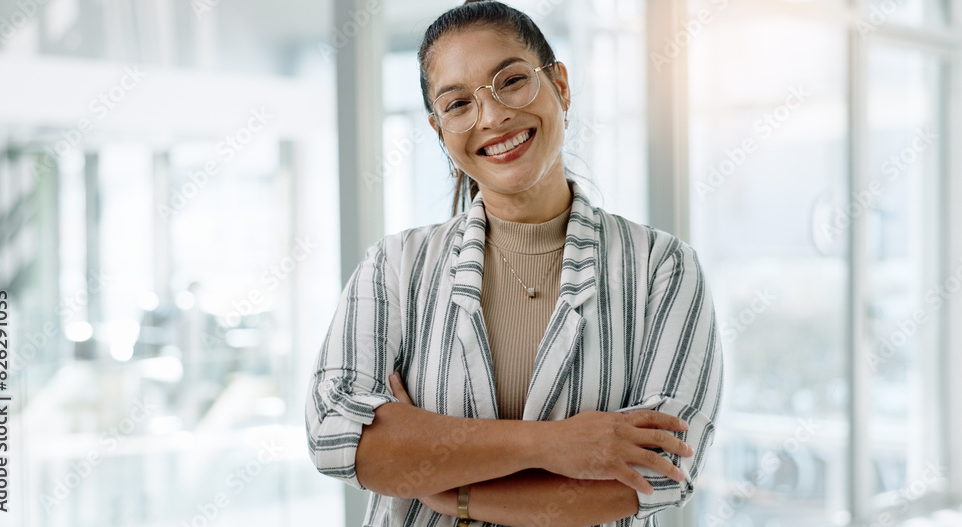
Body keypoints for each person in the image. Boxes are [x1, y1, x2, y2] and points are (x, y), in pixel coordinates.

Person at [305, 1, 723, 525]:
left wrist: (449, 490)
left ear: (560, 85)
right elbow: (334, 434)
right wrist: (553, 444)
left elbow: (663, 469)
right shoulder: (394, 266)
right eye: (458, 104)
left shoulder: (664, 268)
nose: (492, 116)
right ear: (439, 130)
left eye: (512, 81)